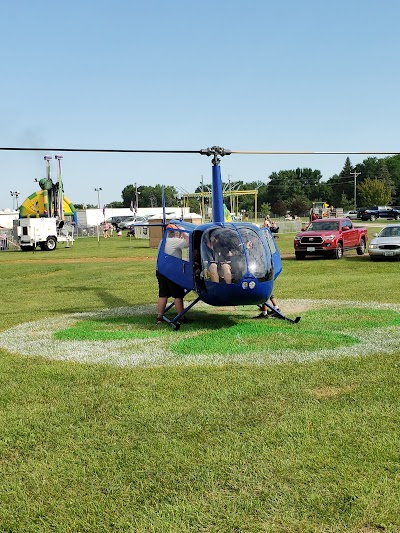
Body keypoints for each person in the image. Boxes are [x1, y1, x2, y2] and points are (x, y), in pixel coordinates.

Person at [156, 225, 192, 325]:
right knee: (178, 294)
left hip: (160, 270)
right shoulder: (174, 241)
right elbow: (189, 242)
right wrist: (184, 231)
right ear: (175, 232)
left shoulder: (162, 241)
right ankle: (181, 316)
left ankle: (159, 316)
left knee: (163, 294)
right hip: (171, 272)